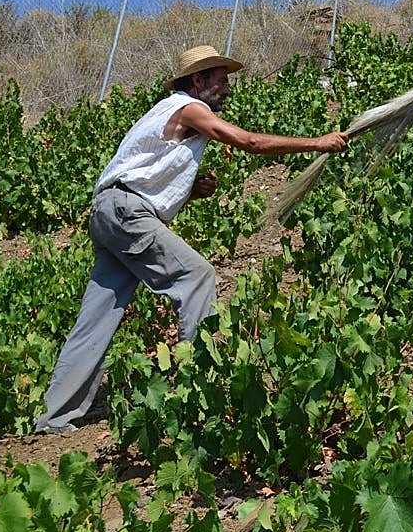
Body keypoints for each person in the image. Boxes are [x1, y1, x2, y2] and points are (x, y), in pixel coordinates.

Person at [34, 44, 348, 434]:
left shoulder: (168, 113)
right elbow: (248, 142)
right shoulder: (188, 108)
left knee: (96, 317)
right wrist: (317, 143)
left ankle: (55, 418)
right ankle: (199, 387)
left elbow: (145, 170)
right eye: (220, 80)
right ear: (197, 80)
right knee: (197, 276)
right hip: (127, 212)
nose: (227, 89)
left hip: (110, 211)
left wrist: (191, 189)